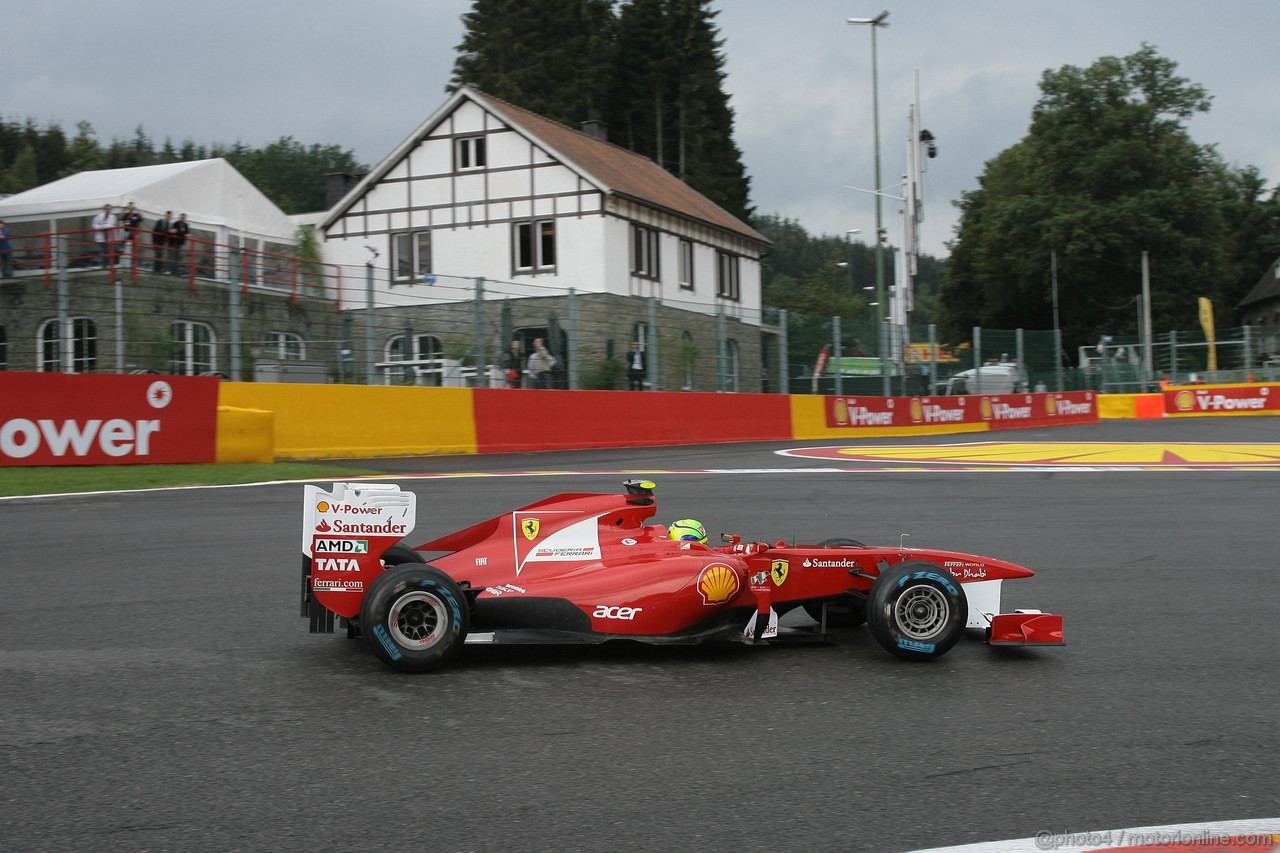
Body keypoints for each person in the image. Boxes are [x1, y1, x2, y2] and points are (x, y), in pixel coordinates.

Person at [91, 204, 117, 269]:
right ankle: (103, 265)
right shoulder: (98, 216)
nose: (108, 210)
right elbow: (94, 225)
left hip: (109, 235)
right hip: (101, 234)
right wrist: (101, 227)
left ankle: (110, 264)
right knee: (102, 250)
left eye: (109, 209)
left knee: (110, 250)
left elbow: (112, 225)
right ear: (104, 209)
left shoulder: (113, 216)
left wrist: (102, 226)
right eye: (106, 209)